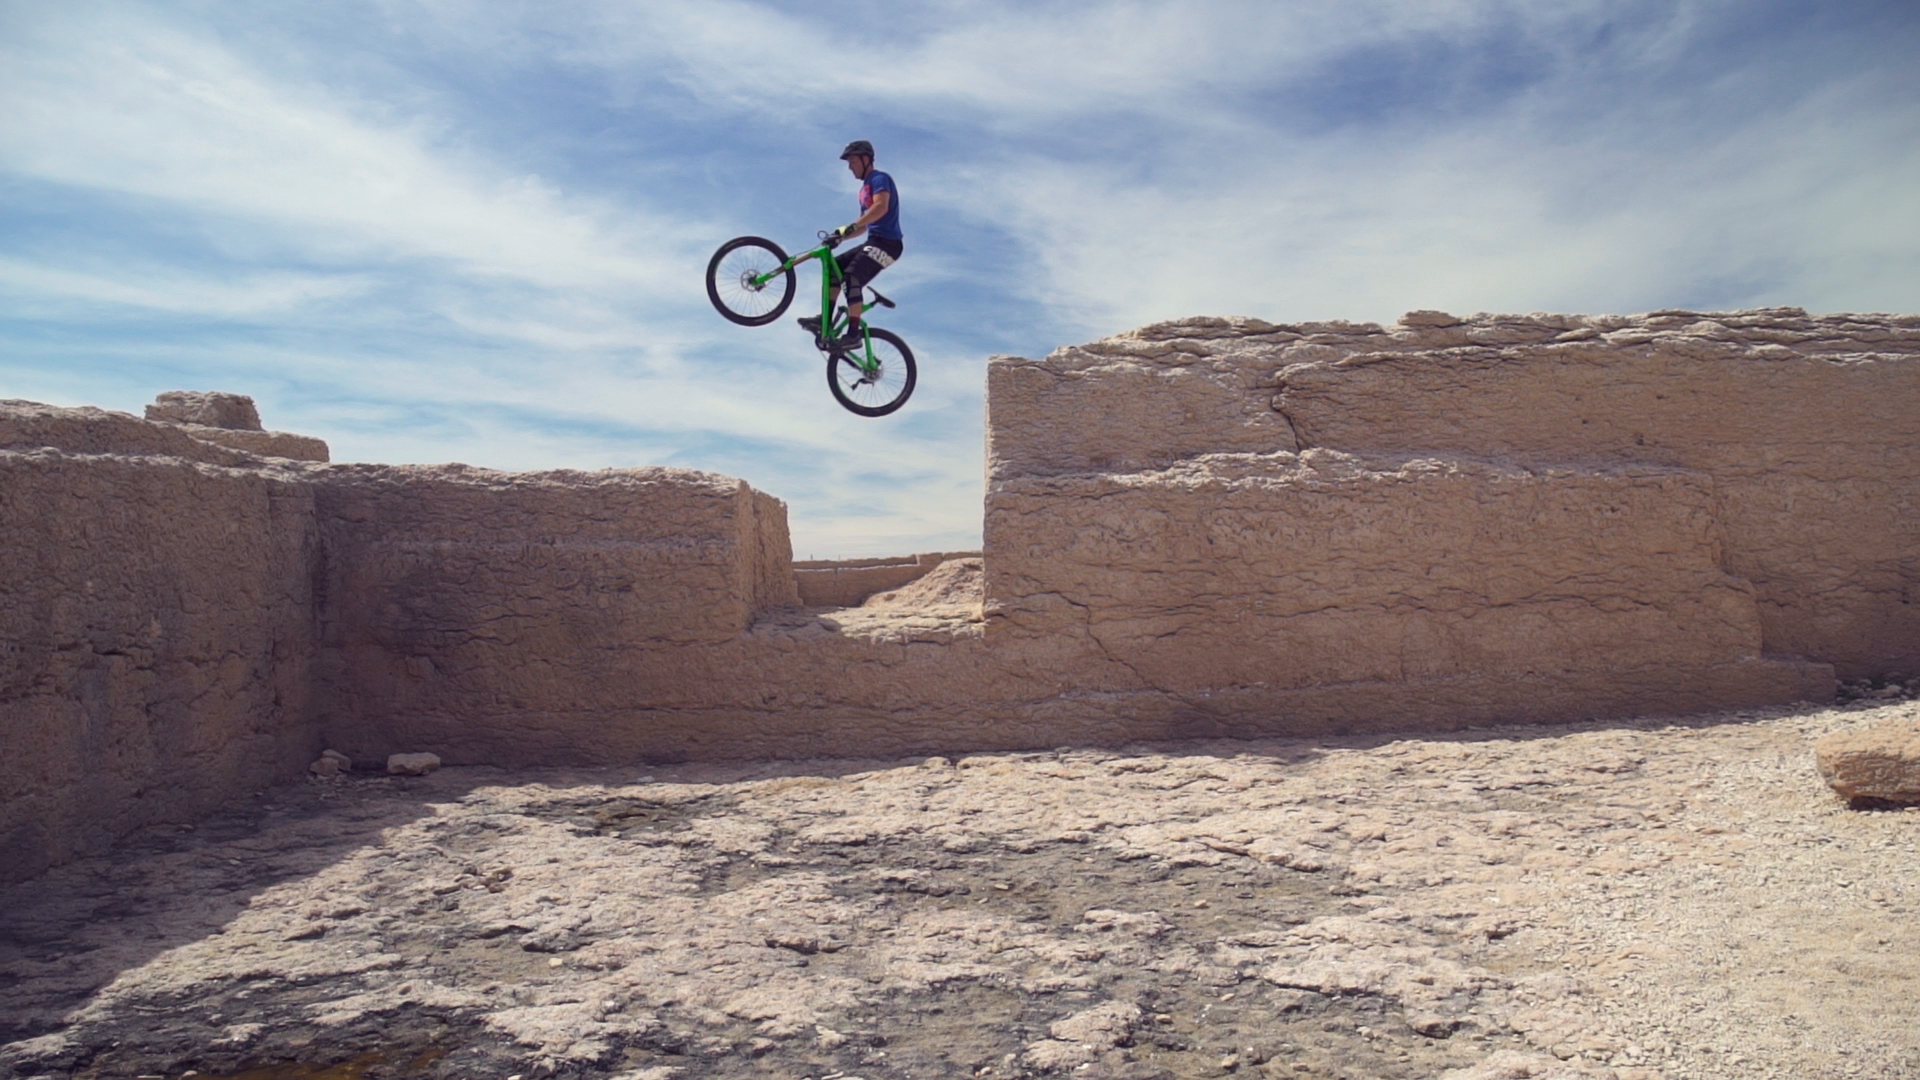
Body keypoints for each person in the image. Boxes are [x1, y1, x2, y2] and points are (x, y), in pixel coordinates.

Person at [799, 140, 902, 347]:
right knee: (832, 268)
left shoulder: (880, 178)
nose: (849, 166)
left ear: (866, 160)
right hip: (873, 240)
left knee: (851, 276)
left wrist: (848, 228)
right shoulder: (864, 189)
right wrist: (840, 236)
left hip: (889, 244)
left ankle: (853, 334)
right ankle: (824, 320)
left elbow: (880, 208)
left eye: (853, 161)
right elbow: (864, 226)